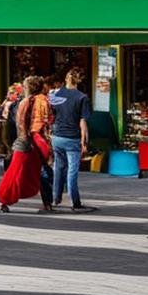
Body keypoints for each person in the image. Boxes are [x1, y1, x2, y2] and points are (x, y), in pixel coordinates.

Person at [0, 76, 54, 213]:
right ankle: (48, 202)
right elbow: (48, 122)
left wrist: (22, 139)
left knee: (15, 171)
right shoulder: (44, 100)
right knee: (42, 171)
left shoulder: (25, 102)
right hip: (40, 139)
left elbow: (20, 123)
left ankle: (5, 200)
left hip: (26, 140)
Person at [49, 67, 92, 212]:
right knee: (72, 170)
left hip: (57, 137)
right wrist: (84, 142)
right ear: (78, 80)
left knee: (58, 168)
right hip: (72, 138)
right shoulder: (82, 97)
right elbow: (83, 122)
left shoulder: (56, 94)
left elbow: (52, 115)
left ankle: (56, 198)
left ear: (66, 79)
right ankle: (75, 201)